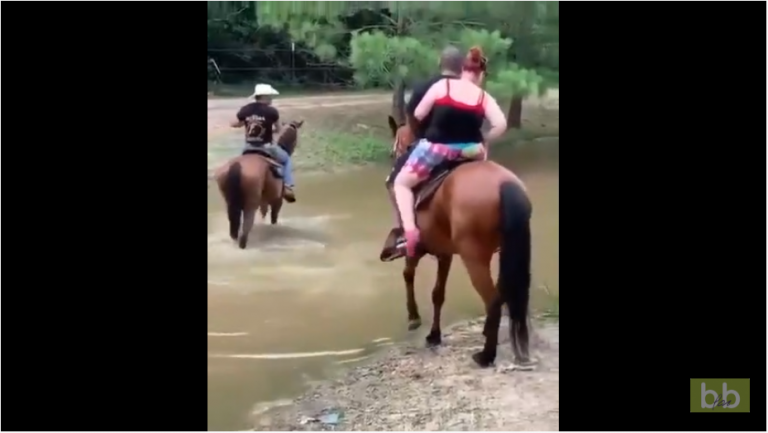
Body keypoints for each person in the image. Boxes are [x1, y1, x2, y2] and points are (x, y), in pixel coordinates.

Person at [391, 46, 508, 257]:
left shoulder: (441, 87)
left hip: (437, 150)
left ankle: (409, 234)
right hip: (471, 151)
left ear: (463, 69)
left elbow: (418, 113)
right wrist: (485, 138)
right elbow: (501, 124)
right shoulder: (483, 96)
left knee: (401, 183)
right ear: (480, 74)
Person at [385, 46, 465, 234]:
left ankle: (406, 231)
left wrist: (419, 133)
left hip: (434, 148)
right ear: (462, 67)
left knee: (394, 181)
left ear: (439, 63)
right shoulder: (470, 89)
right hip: (469, 148)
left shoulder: (426, 86)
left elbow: (412, 116)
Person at [231, 83, 295, 201]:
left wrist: (245, 122)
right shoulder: (272, 111)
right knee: (286, 159)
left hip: (248, 147)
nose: (271, 99)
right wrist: (272, 129)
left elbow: (235, 124)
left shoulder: (246, 109)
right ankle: (288, 186)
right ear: (264, 96)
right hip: (266, 147)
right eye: (270, 96)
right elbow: (279, 129)